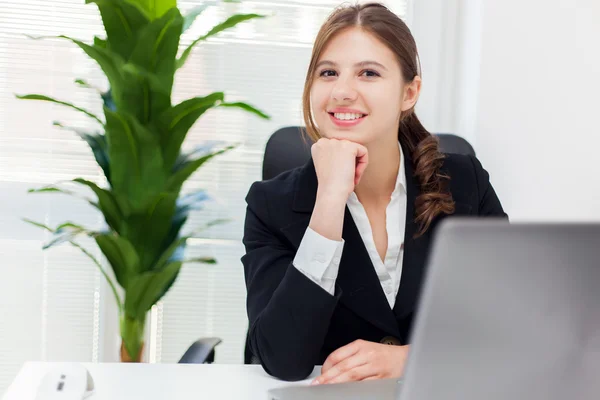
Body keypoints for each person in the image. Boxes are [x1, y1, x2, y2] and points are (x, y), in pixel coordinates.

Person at [241, 1, 507, 384]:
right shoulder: (271, 205)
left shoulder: (466, 184)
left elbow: (507, 325)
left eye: (368, 73)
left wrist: (409, 360)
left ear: (409, 93)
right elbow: (282, 359)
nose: (343, 91)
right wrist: (329, 203)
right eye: (328, 72)